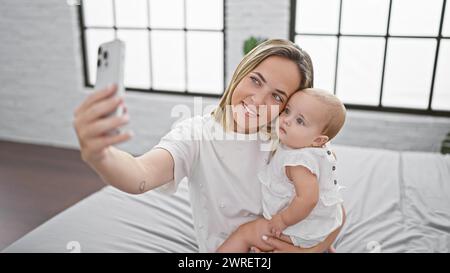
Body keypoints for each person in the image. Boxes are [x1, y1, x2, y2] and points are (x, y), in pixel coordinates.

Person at [73, 39, 344, 252]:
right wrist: (101, 154)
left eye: (276, 96)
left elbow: (335, 209)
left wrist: (313, 248)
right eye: (255, 80)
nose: (258, 100)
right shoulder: (196, 135)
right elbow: (140, 177)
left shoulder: (290, 142)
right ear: (240, 73)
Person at [217, 88, 346, 252]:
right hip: (321, 222)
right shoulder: (315, 146)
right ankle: (321, 244)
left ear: (318, 140)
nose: (286, 120)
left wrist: (282, 220)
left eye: (300, 121)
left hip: (299, 228)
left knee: (246, 232)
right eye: (287, 111)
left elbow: (308, 199)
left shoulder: (297, 163)